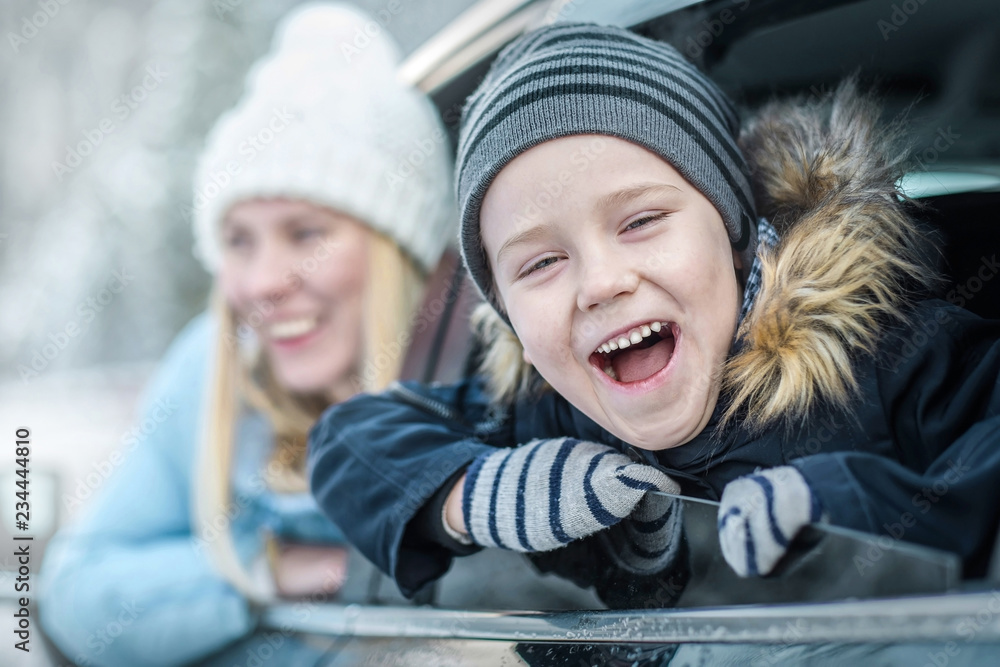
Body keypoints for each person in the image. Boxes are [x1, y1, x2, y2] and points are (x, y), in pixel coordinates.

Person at [308, 22, 1000, 608]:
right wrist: (472, 491)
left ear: (732, 234)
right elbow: (346, 442)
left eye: (640, 221)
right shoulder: (539, 418)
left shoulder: (894, 357)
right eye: (540, 264)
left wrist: (867, 504)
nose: (602, 283)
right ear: (509, 319)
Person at [38, 4, 454, 665]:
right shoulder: (216, 364)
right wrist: (271, 567)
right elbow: (80, 597)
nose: (261, 282)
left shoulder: (493, 379)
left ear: (398, 252)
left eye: (306, 233)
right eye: (238, 241)